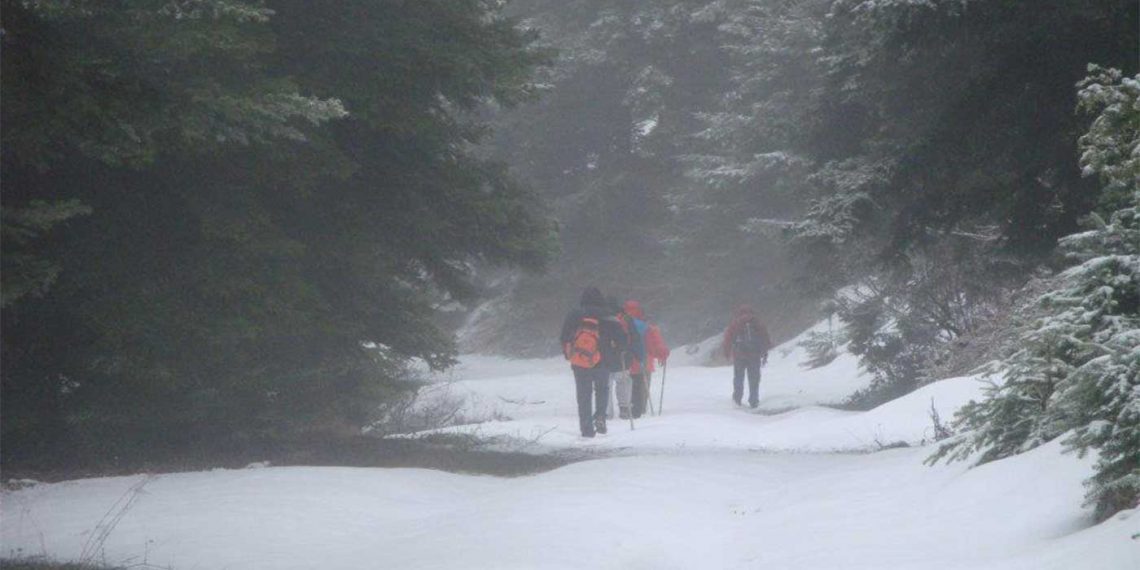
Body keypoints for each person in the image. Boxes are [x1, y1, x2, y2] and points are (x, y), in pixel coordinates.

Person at [561, 287, 627, 437]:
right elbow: (622, 339)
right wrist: (616, 353)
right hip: (603, 360)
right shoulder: (608, 315)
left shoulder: (574, 314)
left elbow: (564, 336)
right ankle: (600, 417)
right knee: (602, 389)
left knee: (583, 393)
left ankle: (586, 428)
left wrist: (568, 354)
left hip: (580, 360)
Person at [623, 300, 669, 419]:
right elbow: (655, 345)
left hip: (625, 362)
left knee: (626, 387)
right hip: (644, 361)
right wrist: (662, 355)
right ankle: (641, 409)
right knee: (642, 388)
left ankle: (626, 408)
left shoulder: (621, 324)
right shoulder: (647, 327)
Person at [722, 305, 772, 408]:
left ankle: (737, 399)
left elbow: (728, 339)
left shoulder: (735, 324)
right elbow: (765, 338)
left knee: (739, 378)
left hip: (739, 355)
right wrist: (764, 353)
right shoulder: (757, 323)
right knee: (754, 378)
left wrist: (727, 353)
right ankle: (754, 400)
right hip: (754, 355)